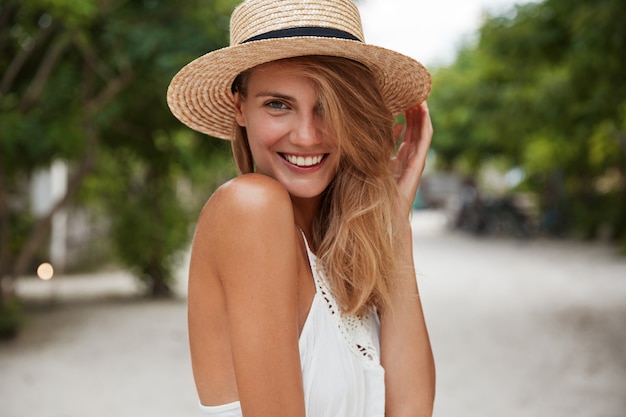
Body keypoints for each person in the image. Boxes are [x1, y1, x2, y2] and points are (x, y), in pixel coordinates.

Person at [167, 0, 435, 416]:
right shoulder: (251, 207)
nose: (308, 136)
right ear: (240, 105)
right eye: (278, 104)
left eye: (328, 106)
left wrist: (394, 223)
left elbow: (412, 409)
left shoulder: (340, 251)